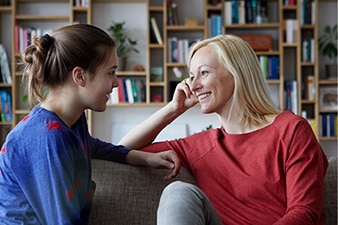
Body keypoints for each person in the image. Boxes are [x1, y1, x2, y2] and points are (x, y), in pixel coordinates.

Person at [119, 34, 329, 225]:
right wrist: (173, 109)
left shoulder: (291, 130)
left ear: (236, 74)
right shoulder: (200, 146)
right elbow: (120, 149)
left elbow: (304, 212)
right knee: (178, 192)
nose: (193, 86)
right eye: (192, 76)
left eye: (204, 73)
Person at [0, 24, 180, 225]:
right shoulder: (47, 138)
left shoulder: (71, 120)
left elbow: (91, 146)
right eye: (111, 72)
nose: (116, 83)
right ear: (80, 76)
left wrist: (146, 159)